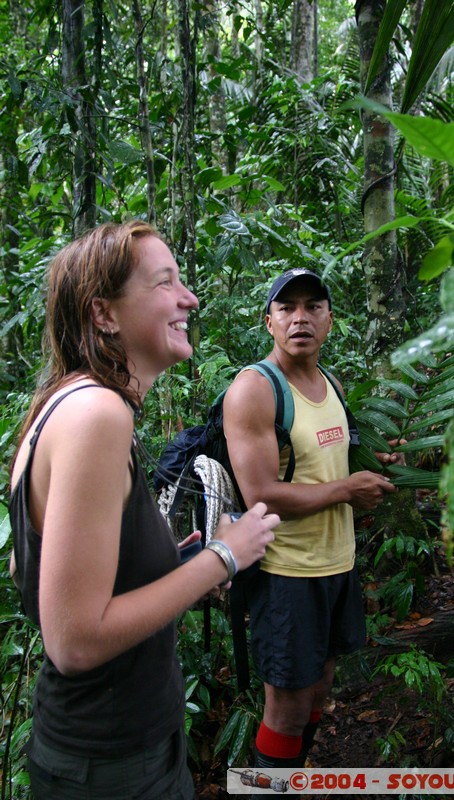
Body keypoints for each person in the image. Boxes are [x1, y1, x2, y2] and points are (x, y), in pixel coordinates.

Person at [8, 220, 279, 800]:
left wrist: (178, 563)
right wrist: (225, 558)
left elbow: (37, 575)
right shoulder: (96, 415)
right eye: (165, 283)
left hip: (113, 751)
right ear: (104, 313)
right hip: (112, 764)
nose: (190, 297)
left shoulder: (63, 406)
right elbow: (74, 640)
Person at [223, 268, 402, 774]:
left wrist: (374, 467)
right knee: (287, 707)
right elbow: (261, 493)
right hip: (287, 573)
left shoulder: (332, 383)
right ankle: (268, 786)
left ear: (329, 320)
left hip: (336, 564)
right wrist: (347, 488)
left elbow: (329, 463)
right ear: (269, 322)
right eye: (287, 308)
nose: (300, 317)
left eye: (312, 307)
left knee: (320, 687)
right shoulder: (255, 390)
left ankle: (291, 779)